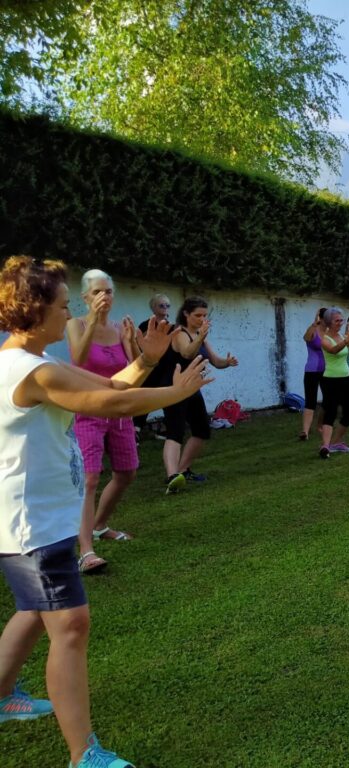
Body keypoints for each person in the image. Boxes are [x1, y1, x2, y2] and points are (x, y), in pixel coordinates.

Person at [0, 255, 210, 768]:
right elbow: (109, 405)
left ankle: (3, 696)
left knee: (34, 611)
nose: (70, 312)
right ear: (36, 310)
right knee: (69, 625)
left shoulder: (28, 361)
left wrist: (147, 360)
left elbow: (109, 386)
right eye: (63, 304)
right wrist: (176, 389)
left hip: (32, 520)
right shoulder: (32, 370)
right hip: (32, 524)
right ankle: (83, 755)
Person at [65, 270, 141, 574]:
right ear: (85, 297)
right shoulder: (76, 324)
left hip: (120, 412)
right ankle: (86, 551)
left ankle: (99, 525)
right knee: (90, 479)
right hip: (88, 411)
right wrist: (93, 321)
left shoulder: (119, 327)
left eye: (108, 291)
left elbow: (135, 369)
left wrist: (129, 341)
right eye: (97, 292)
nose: (104, 297)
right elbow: (78, 358)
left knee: (127, 473)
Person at [161, 297, 239, 492]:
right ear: (186, 314)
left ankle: (183, 470)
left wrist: (227, 362)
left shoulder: (200, 334)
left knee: (202, 430)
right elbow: (187, 353)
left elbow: (215, 361)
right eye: (197, 315)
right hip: (175, 389)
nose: (202, 319)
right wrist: (200, 336)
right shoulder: (179, 333)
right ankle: (171, 476)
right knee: (175, 432)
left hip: (192, 389)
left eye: (204, 315)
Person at [317, 308, 349, 459]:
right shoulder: (324, 339)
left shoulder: (342, 335)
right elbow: (334, 350)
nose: (341, 323)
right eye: (337, 320)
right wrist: (347, 340)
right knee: (331, 411)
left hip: (346, 378)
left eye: (342, 320)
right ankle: (325, 446)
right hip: (330, 380)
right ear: (329, 322)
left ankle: (336, 442)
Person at [132, 293, 173, 438]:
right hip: (150, 368)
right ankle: (135, 429)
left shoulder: (172, 327)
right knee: (145, 398)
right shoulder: (145, 325)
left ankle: (168, 429)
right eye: (162, 305)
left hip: (167, 369)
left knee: (169, 399)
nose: (165, 308)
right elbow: (137, 346)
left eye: (168, 305)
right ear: (154, 308)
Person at [299, 308, 327, 441]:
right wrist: (314, 324)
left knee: (328, 400)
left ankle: (320, 425)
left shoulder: (330, 333)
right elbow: (305, 338)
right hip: (312, 370)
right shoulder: (313, 330)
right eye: (325, 317)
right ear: (320, 318)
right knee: (311, 401)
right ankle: (305, 432)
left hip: (328, 371)